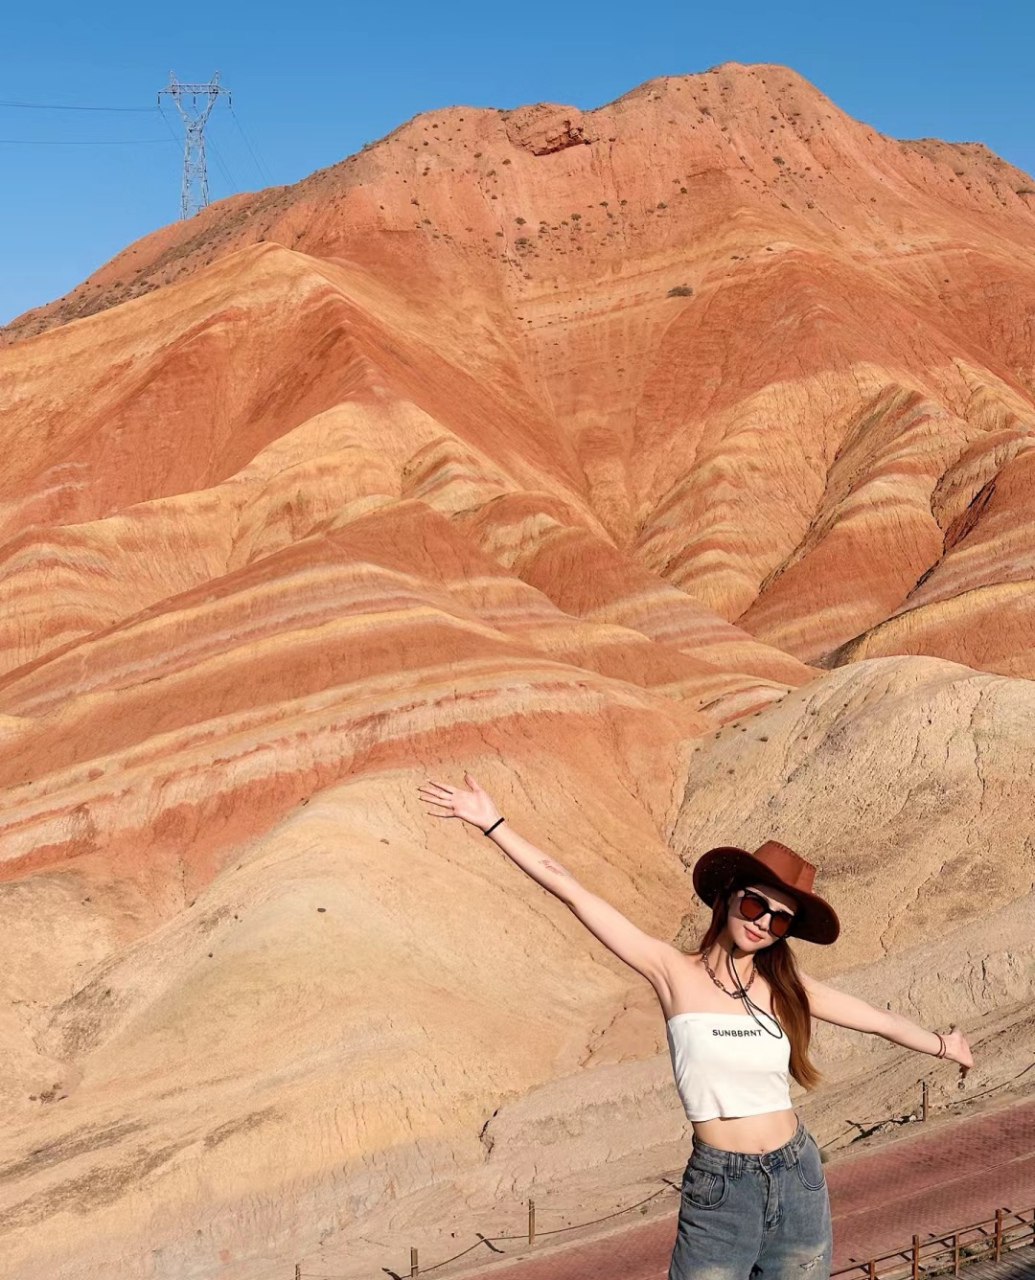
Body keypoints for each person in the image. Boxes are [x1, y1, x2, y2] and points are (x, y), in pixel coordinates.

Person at [418, 772, 974, 1280]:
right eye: (756, 907)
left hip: (798, 1174)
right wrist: (493, 824)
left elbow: (877, 1020)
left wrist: (944, 1045)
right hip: (720, 1186)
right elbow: (571, 890)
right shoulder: (671, 972)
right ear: (730, 897)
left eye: (780, 920)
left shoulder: (786, 990)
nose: (764, 925)